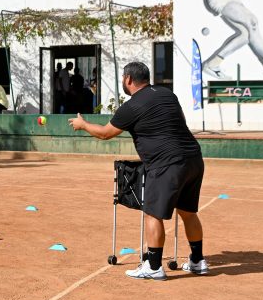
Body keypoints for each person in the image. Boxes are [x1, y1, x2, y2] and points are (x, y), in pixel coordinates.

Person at [68, 61, 207, 281]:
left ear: (129, 79)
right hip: (193, 159)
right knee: (188, 212)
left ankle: (153, 267)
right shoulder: (167, 94)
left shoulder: (132, 106)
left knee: (152, 213)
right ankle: (197, 261)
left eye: (123, 78)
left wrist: (82, 124)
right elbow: (178, 120)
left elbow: (105, 133)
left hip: (166, 164)